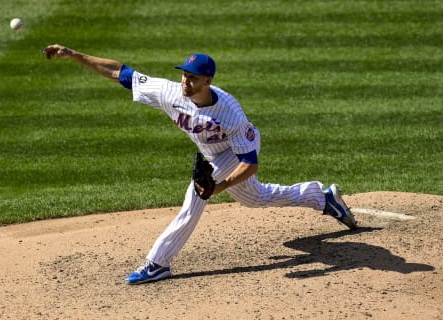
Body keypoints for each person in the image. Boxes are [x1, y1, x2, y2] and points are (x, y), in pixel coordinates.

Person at [42, 44, 358, 285]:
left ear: (207, 80)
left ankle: (158, 262)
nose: (185, 82)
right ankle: (322, 196)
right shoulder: (170, 92)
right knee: (256, 198)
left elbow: (250, 164)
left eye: (193, 78)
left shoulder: (231, 113)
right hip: (213, 155)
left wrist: (217, 187)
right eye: (184, 75)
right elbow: (120, 73)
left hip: (237, 153)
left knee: (196, 197)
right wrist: (73, 54)